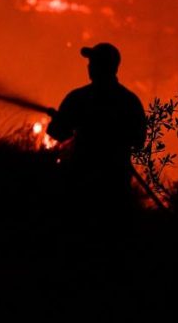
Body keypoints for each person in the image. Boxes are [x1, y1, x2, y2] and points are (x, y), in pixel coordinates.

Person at [46, 42, 146, 216]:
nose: (89, 66)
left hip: (79, 185)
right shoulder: (130, 101)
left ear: (101, 66)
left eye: (93, 62)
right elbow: (138, 142)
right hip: (116, 187)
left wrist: (66, 123)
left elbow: (57, 131)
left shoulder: (79, 97)